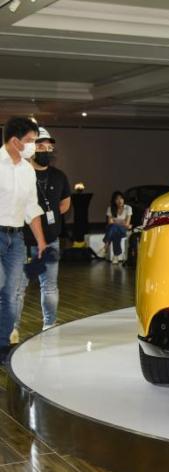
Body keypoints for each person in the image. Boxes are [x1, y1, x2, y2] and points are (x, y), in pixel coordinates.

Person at [12, 127, 71, 341]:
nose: (45, 150)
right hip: (22, 242)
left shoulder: (59, 176)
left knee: (49, 287)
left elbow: (65, 204)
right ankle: (12, 329)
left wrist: (48, 218)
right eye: (40, 146)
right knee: (18, 289)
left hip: (51, 241)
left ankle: (49, 324)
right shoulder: (19, 174)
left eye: (48, 147)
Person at [0, 116, 47, 363]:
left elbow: (32, 207)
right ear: (15, 141)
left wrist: (41, 242)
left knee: (11, 293)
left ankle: (2, 344)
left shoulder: (28, 170)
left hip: (16, 238)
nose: (33, 146)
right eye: (30, 140)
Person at [98, 191, 132, 264]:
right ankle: (116, 256)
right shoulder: (110, 208)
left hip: (123, 230)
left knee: (113, 227)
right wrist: (122, 222)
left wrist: (115, 221)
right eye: (117, 199)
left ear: (124, 199)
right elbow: (110, 222)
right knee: (115, 232)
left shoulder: (128, 208)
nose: (119, 201)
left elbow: (127, 224)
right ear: (114, 201)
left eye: (121, 198)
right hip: (114, 230)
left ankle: (105, 248)